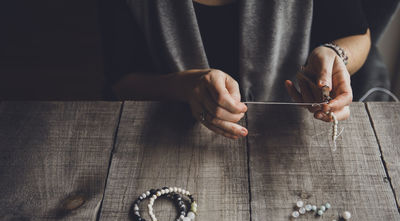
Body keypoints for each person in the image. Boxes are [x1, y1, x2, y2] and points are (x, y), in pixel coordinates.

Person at [102, 0, 370, 139]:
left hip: (290, 133)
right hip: (168, 134)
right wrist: (184, 86)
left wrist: (335, 55)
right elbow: (122, 80)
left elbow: (359, 36)